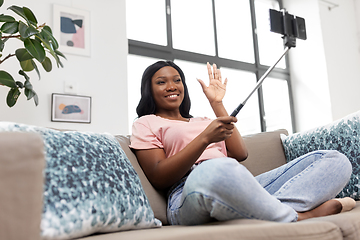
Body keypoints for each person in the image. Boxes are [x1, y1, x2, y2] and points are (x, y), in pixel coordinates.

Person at [129, 60, 355, 225]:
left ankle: (257, 208)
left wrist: (217, 103)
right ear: (149, 89)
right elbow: (158, 176)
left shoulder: (204, 120)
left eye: (177, 80)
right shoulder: (146, 123)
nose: (172, 86)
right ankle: (299, 216)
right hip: (187, 193)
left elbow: (240, 152)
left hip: (239, 182)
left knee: (335, 160)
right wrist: (205, 138)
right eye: (161, 82)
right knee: (217, 167)